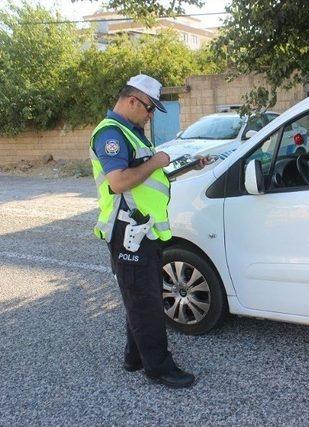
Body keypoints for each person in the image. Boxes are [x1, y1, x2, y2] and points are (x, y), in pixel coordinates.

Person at [89, 74, 209, 388]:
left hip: (144, 231)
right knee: (146, 302)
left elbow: (150, 177)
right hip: (129, 231)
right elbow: (119, 182)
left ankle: (135, 356)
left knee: (143, 296)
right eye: (149, 108)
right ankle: (159, 367)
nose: (151, 114)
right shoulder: (111, 134)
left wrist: (188, 166)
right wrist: (155, 161)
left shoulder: (133, 133)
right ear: (132, 100)